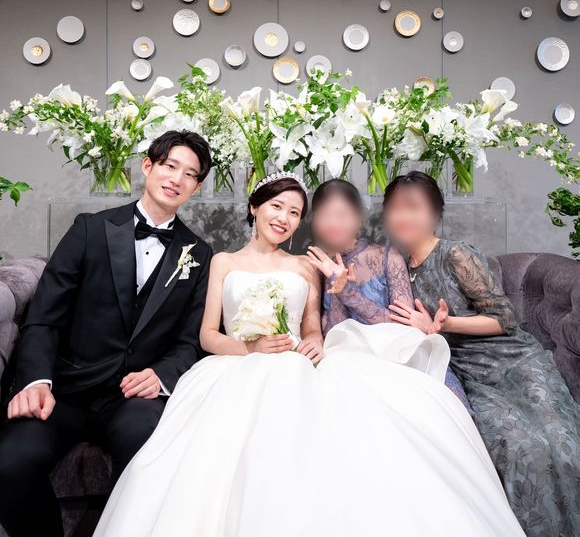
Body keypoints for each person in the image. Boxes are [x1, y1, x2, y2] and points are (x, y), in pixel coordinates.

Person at [94, 172, 524, 537]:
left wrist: (315, 341)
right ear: (254, 207)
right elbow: (207, 335)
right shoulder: (222, 261)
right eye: (276, 207)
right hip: (235, 368)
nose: (284, 218)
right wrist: (249, 347)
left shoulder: (305, 266)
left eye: (295, 212)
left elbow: (313, 326)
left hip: (296, 363)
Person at [0, 130, 213, 537]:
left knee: (147, 448)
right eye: (170, 166)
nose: (177, 179)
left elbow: (190, 340)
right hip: (67, 388)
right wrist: (36, 380)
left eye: (190, 174)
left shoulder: (199, 254)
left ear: (197, 187)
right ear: (148, 166)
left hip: (132, 397)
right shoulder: (90, 229)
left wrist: (162, 375)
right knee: (10, 462)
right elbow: (44, 317)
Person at [382, 170, 580, 537]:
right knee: (518, 446)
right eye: (395, 208)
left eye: (414, 207)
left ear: (434, 213)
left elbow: (503, 319)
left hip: (513, 360)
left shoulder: (455, 254)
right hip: (468, 374)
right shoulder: (396, 270)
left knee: (562, 440)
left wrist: (446, 324)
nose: (403, 216)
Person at [307, 179, 471, 411]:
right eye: (324, 215)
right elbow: (335, 335)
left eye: (342, 215)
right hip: (349, 362)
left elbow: (404, 325)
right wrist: (335, 286)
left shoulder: (387, 257)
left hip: (399, 354)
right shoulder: (318, 266)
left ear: (359, 219)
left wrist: (348, 293)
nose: (333, 223)